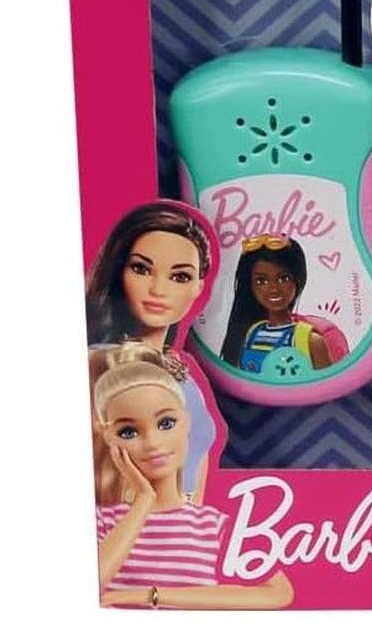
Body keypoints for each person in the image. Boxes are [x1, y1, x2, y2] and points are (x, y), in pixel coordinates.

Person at [93, 357, 293, 609]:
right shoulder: (102, 521)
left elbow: (279, 593)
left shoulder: (214, 525)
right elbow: (92, 583)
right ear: (108, 437)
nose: (153, 443)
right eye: (128, 432)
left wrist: (149, 595)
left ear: (186, 423)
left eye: (166, 423)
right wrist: (143, 500)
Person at [86, 201, 216, 501]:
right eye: (141, 269)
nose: (158, 290)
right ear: (118, 271)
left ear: (198, 286)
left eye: (179, 276)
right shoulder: (103, 364)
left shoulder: (180, 372)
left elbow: (195, 478)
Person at [220, 235, 332, 373]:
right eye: (261, 281)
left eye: (284, 278)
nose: (274, 289)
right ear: (250, 286)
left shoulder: (309, 340)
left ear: (297, 280)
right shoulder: (252, 334)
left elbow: (326, 384)